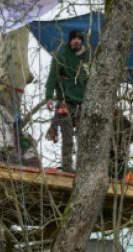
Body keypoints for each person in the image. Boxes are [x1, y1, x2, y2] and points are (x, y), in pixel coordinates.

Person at [44, 29, 90, 173]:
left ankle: (83, 168)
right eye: (74, 38)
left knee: (84, 138)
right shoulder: (61, 56)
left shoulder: (87, 58)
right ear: (70, 41)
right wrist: (49, 97)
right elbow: (52, 78)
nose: (77, 41)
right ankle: (67, 167)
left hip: (83, 103)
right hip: (66, 102)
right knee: (68, 138)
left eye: (79, 39)